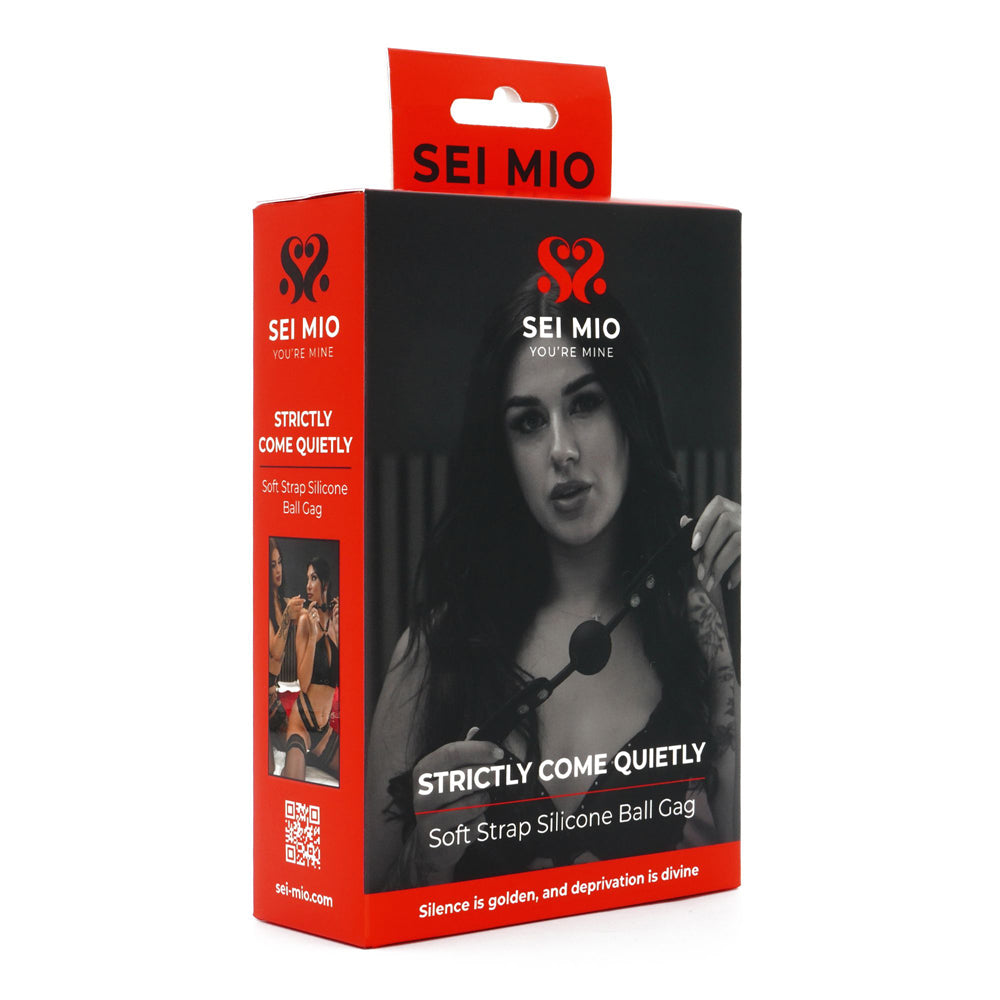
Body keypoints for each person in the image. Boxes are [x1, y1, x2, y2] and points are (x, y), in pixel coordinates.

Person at [365, 280, 741, 890]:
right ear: (503, 449)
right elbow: (367, 901)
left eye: (585, 403)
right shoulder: (433, 653)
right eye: (529, 422)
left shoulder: (697, 622)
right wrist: (426, 861)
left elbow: (754, 864)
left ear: (629, 410)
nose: (561, 450)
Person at [283, 557, 341, 782]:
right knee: (293, 783)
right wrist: (313, 638)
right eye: (307, 578)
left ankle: (313, 759)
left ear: (325, 583)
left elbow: (342, 681)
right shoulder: (305, 621)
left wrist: (340, 634)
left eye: (313, 578)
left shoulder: (337, 622)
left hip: (324, 732)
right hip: (301, 724)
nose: (308, 585)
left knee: (361, 773)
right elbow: (304, 683)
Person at [267, 539, 303, 773]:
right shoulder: (262, 606)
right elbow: (275, 652)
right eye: (272, 565)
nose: (278, 569)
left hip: (279, 696)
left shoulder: (283, 602)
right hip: (266, 700)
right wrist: (288, 618)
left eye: (280, 563)